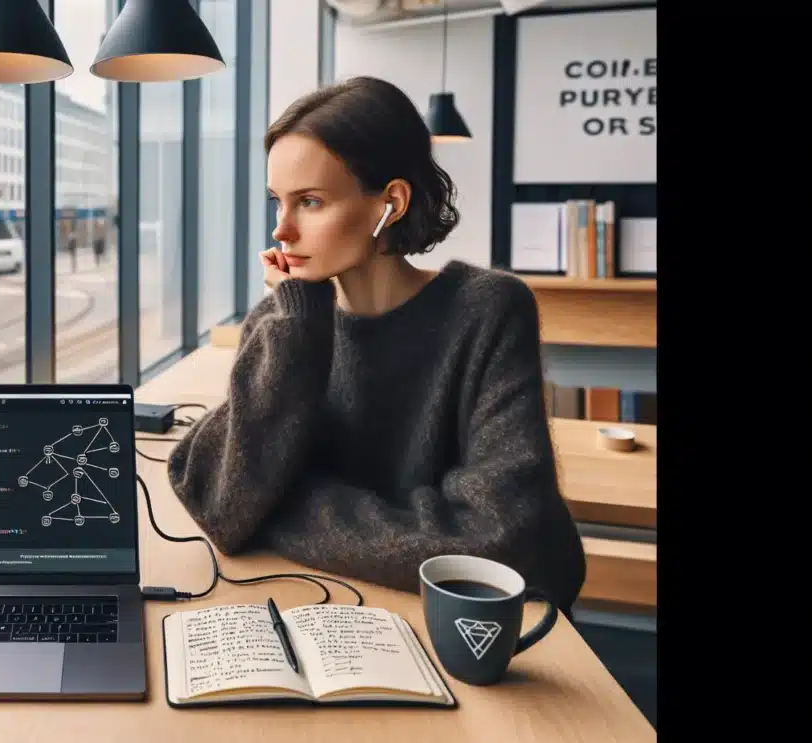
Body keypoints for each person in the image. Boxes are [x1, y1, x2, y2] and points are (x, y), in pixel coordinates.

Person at [166, 76, 587, 615]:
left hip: (467, 620)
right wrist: (298, 326)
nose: (281, 232)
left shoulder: (488, 309)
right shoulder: (285, 320)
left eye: (310, 202)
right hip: (326, 606)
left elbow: (499, 539)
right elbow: (226, 506)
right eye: (278, 203)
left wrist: (280, 509)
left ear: (390, 204)